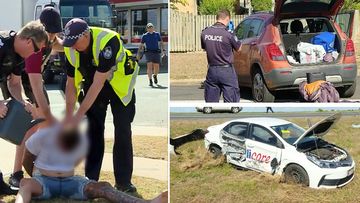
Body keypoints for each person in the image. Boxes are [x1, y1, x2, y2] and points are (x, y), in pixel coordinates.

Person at [62, 18, 139, 193]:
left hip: (119, 86)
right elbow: (70, 84)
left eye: (75, 42)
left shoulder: (107, 40)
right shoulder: (70, 47)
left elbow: (99, 82)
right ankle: (91, 180)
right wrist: (69, 117)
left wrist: (79, 113)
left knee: (123, 130)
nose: (72, 46)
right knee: (94, 129)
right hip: (93, 85)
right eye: (70, 42)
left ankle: (123, 182)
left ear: (86, 35)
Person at [16, 124, 167, 203]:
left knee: (104, 187)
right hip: (44, 181)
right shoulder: (41, 137)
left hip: (71, 182)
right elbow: (27, 160)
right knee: (26, 184)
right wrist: (36, 177)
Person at [9, 7, 64, 189]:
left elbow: (62, 45)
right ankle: (16, 173)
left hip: (35, 81)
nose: (51, 36)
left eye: (55, 32)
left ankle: (42, 167)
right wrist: (42, 108)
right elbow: (33, 78)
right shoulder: (34, 47)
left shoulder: (52, 39)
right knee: (26, 126)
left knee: (41, 125)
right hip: (24, 81)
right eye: (49, 32)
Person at [0, 21, 48, 189]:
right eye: (36, 49)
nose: (35, 54)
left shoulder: (19, 55)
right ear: (28, 41)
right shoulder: (1, 45)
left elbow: (14, 83)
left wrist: (21, 101)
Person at [201, 9, 242, 103]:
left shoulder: (205, 32)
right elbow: (239, 49)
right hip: (226, 70)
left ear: (217, 18)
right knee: (231, 103)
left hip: (212, 69)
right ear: (227, 19)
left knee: (211, 103)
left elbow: (205, 48)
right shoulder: (228, 34)